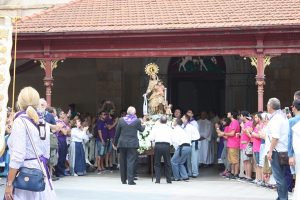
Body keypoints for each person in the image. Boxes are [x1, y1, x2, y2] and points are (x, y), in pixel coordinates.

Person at [4, 86, 56, 200]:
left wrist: (9, 184)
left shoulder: (20, 121)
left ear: (19, 102)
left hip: (25, 175)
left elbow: (17, 156)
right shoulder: (42, 122)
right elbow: (46, 153)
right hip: (40, 171)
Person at [114, 106, 145, 185]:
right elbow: (141, 129)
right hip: (132, 144)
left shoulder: (121, 120)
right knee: (130, 161)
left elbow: (117, 133)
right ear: (134, 113)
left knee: (122, 162)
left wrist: (115, 143)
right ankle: (130, 180)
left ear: (127, 112)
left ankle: (123, 180)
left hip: (122, 143)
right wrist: (144, 124)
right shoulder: (137, 121)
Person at [266, 98, 289, 200]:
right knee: (281, 177)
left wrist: (270, 151)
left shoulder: (276, 119)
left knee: (279, 178)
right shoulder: (281, 117)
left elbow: (275, 137)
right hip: (283, 150)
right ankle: (281, 197)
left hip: (277, 151)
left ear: (270, 106)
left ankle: (283, 198)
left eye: (267, 104)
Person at [216, 111, 240, 179]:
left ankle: (235, 173)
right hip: (230, 143)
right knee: (231, 160)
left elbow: (232, 134)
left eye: (228, 113)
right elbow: (228, 135)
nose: (227, 114)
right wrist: (223, 133)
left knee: (235, 160)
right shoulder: (232, 122)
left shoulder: (235, 122)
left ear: (232, 115)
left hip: (234, 143)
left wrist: (223, 133)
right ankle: (232, 172)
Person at [149, 115, 173, 184]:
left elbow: (151, 138)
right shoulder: (169, 128)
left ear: (160, 121)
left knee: (157, 163)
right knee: (167, 162)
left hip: (158, 145)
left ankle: (157, 180)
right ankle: (169, 180)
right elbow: (172, 138)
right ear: (166, 121)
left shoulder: (156, 128)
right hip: (166, 145)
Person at [288, 99, 300, 200]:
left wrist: (290, 155)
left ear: (294, 107)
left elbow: (290, 139)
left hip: (297, 152)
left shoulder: (292, 121)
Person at [55, 109, 71, 177]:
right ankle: (59, 172)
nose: (64, 114)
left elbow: (68, 132)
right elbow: (65, 132)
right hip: (60, 140)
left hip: (64, 140)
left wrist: (65, 130)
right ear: (59, 115)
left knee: (64, 156)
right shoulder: (58, 122)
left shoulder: (63, 122)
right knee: (60, 156)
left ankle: (62, 170)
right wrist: (65, 130)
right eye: (62, 113)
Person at [239, 111, 253, 181]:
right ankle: (246, 175)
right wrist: (239, 134)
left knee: (247, 160)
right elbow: (243, 134)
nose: (240, 117)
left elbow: (249, 134)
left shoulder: (250, 123)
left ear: (244, 116)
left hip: (247, 144)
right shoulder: (243, 124)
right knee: (244, 161)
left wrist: (243, 128)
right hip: (242, 144)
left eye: (241, 116)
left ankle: (249, 176)